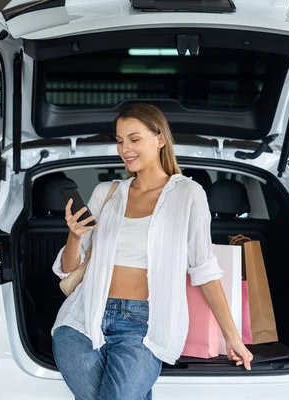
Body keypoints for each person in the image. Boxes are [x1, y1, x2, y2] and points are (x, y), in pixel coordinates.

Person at [51, 103, 253, 399]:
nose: (125, 149)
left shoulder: (187, 194)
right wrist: (74, 236)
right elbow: (69, 270)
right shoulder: (106, 193)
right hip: (81, 318)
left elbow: (204, 270)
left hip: (143, 325)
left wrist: (232, 337)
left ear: (160, 139)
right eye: (120, 141)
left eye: (134, 139)